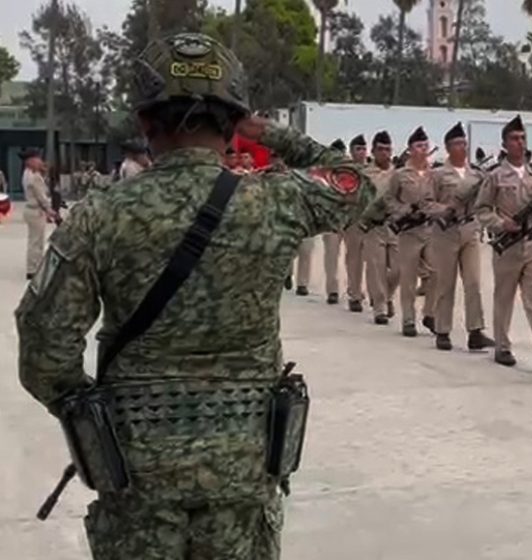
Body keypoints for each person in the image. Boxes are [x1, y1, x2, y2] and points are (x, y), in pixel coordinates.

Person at [15, 32, 373, 559]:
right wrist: (269, 132)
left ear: (144, 122)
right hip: (244, 468)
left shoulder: (100, 215)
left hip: (137, 471)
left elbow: (43, 348)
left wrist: (94, 417)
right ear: (233, 123)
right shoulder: (276, 202)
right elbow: (358, 183)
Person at [476, 115, 532, 367]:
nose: (520, 142)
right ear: (505, 144)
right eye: (515, 138)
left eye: (523, 138)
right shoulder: (495, 176)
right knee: (504, 299)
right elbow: (482, 210)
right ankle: (502, 347)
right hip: (506, 246)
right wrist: (501, 223)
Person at [427, 122, 494, 350]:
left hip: (469, 229)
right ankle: (442, 330)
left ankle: (475, 330)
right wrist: (444, 210)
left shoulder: (476, 174)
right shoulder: (437, 174)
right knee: (445, 283)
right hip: (445, 232)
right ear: (448, 147)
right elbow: (427, 204)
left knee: (473, 282)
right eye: (457, 144)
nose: (462, 148)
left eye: (464, 143)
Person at [367, 126, 438, 337]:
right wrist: (404, 211)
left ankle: (430, 313)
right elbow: (389, 199)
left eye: (425, 145)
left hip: (429, 230)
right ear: (410, 149)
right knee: (399, 275)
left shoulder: (435, 174)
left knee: (435, 273)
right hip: (402, 229)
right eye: (419, 146)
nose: (423, 149)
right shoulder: (400, 175)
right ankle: (403, 317)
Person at [364, 130, 400, 324]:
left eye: (387, 149)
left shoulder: (398, 173)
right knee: (376, 268)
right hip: (374, 225)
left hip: (395, 226)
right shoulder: (366, 174)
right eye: (380, 149)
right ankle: (380, 308)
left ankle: (387, 296)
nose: (384, 153)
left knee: (399, 269)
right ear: (373, 151)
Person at [342, 134, 372, 312]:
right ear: (351, 151)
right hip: (353, 219)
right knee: (355, 259)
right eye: (358, 149)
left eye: (363, 149)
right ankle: (354, 294)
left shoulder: (372, 170)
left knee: (374, 259)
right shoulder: (346, 171)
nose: (361, 152)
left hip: (371, 220)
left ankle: (375, 293)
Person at [21, 148, 56, 279]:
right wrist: (49, 210)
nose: (40, 161)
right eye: (38, 159)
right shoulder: (34, 177)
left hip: (31, 210)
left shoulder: (27, 173)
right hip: (36, 211)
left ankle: (34, 266)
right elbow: (41, 196)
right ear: (30, 161)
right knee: (37, 242)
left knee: (34, 240)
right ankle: (33, 269)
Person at [322, 138, 347, 304]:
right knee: (331, 257)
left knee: (354, 259)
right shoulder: (323, 175)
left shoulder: (354, 173)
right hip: (331, 221)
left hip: (350, 221)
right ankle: (332, 290)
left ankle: (354, 290)